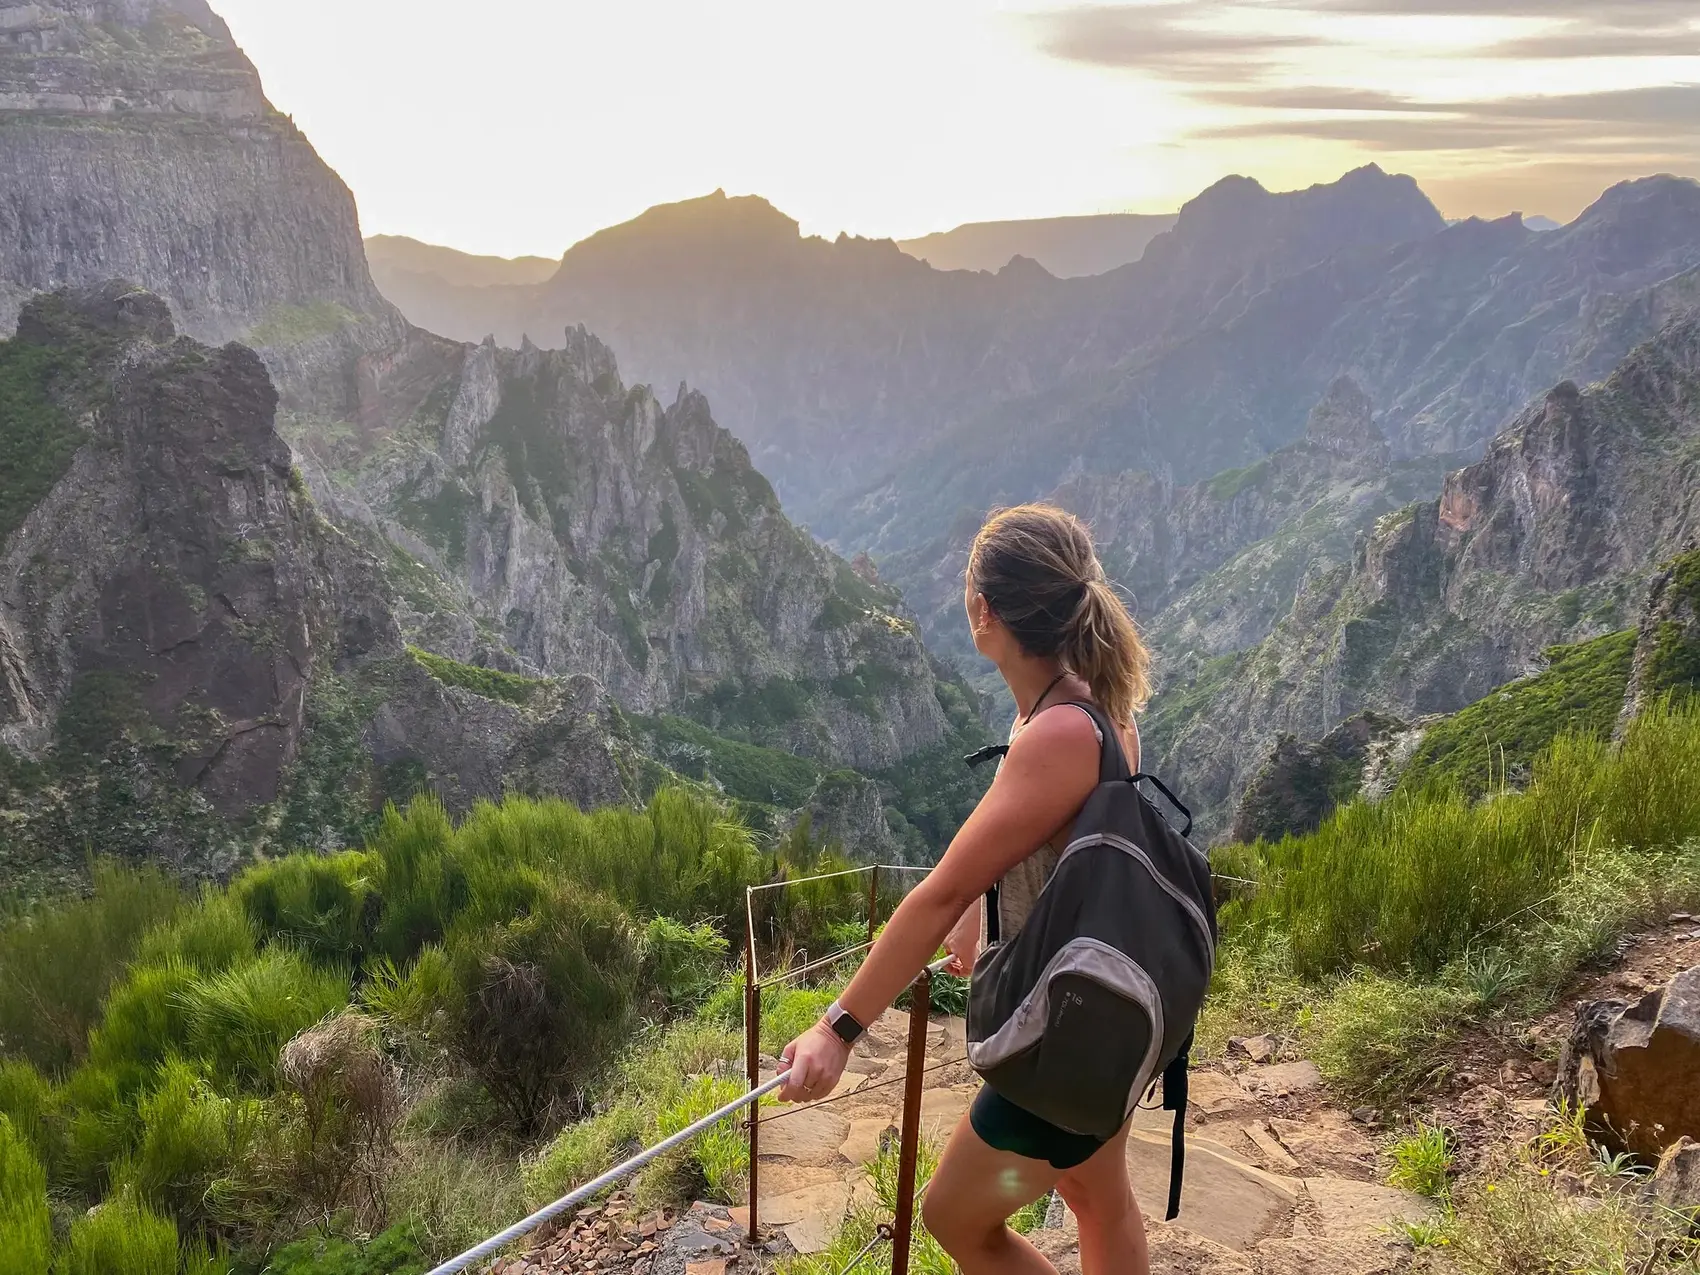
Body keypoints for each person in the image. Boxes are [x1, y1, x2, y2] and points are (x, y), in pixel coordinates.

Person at [778, 504, 1155, 1275]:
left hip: (1061, 1040)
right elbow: (1059, 861)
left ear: (984, 611)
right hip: (1109, 1013)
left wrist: (836, 1029)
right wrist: (989, 914)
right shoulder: (1096, 709)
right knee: (1096, 1194)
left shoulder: (1055, 732)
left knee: (954, 1215)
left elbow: (936, 893)